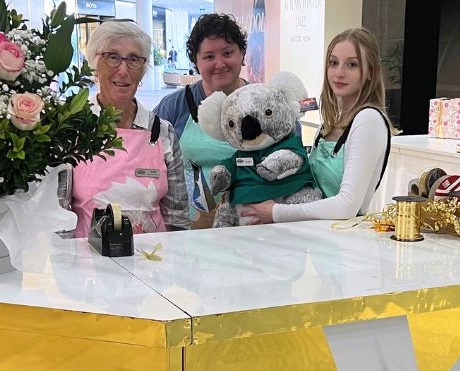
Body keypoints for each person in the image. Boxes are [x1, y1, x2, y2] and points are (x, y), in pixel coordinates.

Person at [241, 28, 395, 223]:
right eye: (333, 63)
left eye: (352, 65)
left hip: (345, 244)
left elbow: (346, 205)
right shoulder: (328, 125)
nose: (339, 73)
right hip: (318, 239)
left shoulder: (368, 120)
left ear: (371, 73)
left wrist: (275, 212)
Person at [69, 21, 189, 237]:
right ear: (95, 63)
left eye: (133, 59)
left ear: (143, 69)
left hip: (154, 262)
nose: (123, 70)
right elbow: (58, 216)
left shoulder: (161, 132)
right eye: (113, 57)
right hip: (87, 264)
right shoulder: (73, 130)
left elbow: (177, 217)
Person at [154, 13, 250, 225]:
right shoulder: (172, 107)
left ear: (242, 53)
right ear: (195, 61)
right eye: (209, 56)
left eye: (227, 53)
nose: (219, 63)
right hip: (187, 235)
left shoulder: (266, 104)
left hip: (252, 234)